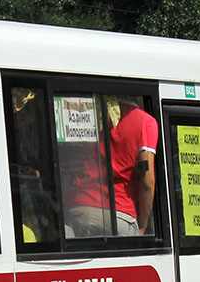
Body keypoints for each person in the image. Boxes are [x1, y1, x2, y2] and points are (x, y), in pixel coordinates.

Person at [66, 99, 159, 237]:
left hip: (79, 211)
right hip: (120, 216)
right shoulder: (145, 121)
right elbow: (147, 182)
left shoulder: (88, 115)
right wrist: (144, 226)